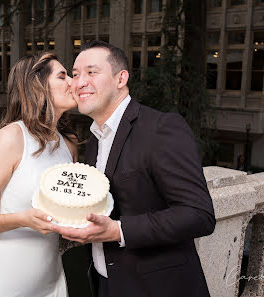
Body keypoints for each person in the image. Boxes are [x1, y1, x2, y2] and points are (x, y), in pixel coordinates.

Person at [51, 41, 216, 297]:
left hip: (157, 288)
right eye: (75, 74)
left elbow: (199, 214)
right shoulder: (94, 140)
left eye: (92, 72)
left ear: (121, 79)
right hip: (105, 284)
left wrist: (118, 230)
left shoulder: (161, 128)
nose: (79, 82)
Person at [0, 52, 78, 297]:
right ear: (37, 86)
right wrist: (23, 219)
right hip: (2, 280)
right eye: (62, 76)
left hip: (51, 279)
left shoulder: (69, 144)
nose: (72, 82)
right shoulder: (10, 139)